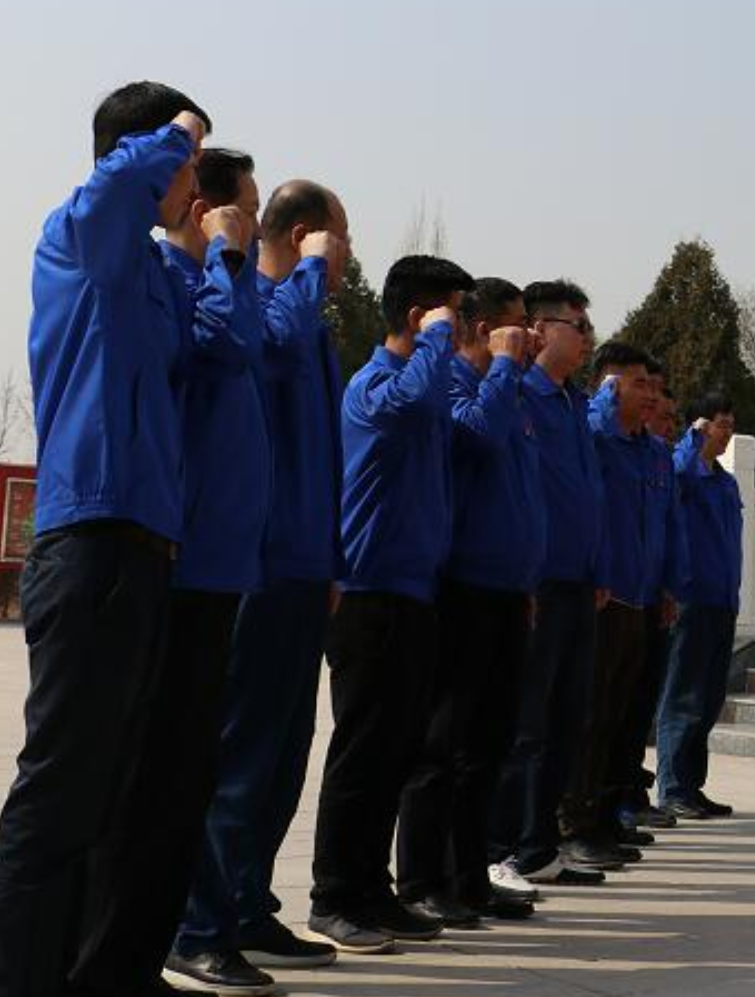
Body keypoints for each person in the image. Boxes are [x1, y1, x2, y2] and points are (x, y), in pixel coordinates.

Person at [0, 80, 207, 997]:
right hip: (93, 543)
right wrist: (179, 132)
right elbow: (116, 185)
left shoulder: (146, 269)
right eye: (188, 165)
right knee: (57, 796)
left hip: (145, 549)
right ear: (144, 155)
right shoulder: (79, 231)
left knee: (102, 800)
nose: (194, 183)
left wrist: (204, 254)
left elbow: (211, 346)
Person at [87, 147, 263, 997]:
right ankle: (115, 958)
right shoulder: (176, 278)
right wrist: (227, 257)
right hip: (178, 564)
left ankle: (143, 956)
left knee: (187, 781)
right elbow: (226, 346)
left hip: (220, 565)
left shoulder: (215, 281)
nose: (250, 224)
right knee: (152, 781)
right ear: (204, 209)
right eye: (240, 208)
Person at [175, 179, 350, 980]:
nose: (345, 257)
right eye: (338, 239)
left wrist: (333, 561)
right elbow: (268, 348)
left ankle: (246, 905)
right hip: (261, 565)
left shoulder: (308, 321)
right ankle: (198, 925)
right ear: (307, 232)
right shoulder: (269, 303)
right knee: (241, 755)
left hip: (305, 567)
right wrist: (307, 270)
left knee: (283, 757)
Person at [306, 255, 470, 953]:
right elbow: (409, 399)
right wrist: (437, 337)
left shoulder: (424, 393)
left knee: (397, 755)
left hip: (416, 594)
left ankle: (372, 889)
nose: (461, 332)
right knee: (361, 754)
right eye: (452, 316)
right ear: (417, 317)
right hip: (368, 596)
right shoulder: (374, 387)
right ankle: (333, 897)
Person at [395, 277, 539, 929]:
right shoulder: (456, 381)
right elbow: (473, 438)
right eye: (517, 325)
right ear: (483, 329)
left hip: (507, 592)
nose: (527, 336)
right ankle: (420, 879)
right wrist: (503, 367)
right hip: (462, 587)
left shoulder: (512, 395)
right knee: (443, 744)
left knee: (489, 742)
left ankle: (469, 874)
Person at [496, 279, 609, 888]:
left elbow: (587, 496)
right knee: (527, 724)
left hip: (579, 583)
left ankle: (540, 845)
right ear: (539, 329)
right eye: (578, 326)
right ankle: (505, 847)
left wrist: (598, 569)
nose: (588, 337)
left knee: (567, 721)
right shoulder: (519, 395)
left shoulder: (573, 404)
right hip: (538, 583)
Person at [563, 342, 667, 870]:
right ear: (608, 385)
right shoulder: (598, 435)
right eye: (637, 384)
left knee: (620, 719)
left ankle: (603, 817)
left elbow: (663, 527)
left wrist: (666, 585)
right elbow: (589, 437)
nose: (651, 395)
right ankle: (573, 823)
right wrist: (602, 399)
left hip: (640, 599)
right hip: (604, 597)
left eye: (653, 386)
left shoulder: (649, 450)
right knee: (590, 717)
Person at [655, 392, 744, 821]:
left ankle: (692, 785)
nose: (727, 434)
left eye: (731, 426)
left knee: (708, 699)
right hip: (691, 598)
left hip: (722, 600)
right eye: (721, 425)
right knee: (682, 697)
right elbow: (678, 473)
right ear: (700, 426)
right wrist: (691, 440)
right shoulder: (684, 469)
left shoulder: (726, 482)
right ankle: (672, 786)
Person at [612, 384, 684, 842]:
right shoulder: (610, 442)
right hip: (616, 595)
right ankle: (604, 807)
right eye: (660, 411)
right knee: (608, 712)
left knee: (636, 708)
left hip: (651, 595)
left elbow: (670, 528)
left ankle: (625, 798)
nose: (667, 423)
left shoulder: (659, 459)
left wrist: (671, 585)